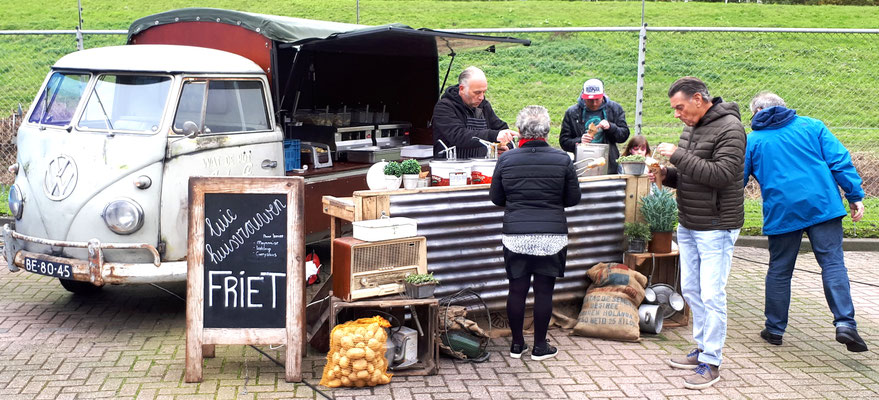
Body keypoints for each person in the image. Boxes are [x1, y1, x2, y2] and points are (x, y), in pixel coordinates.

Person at [744, 91, 868, 353]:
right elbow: (839, 161)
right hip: (823, 206)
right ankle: (845, 323)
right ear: (785, 107)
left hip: (782, 211)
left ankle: (775, 330)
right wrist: (854, 195)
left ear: (757, 112)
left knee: (779, 270)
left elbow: (737, 180)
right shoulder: (813, 126)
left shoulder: (752, 141)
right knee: (832, 264)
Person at [651, 77, 745, 390]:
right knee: (691, 289)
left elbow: (722, 175)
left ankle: (712, 362)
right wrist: (667, 174)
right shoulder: (691, 127)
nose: (677, 114)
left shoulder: (731, 128)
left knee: (712, 294)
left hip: (717, 225)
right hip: (689, 221)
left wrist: (677, 155)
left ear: (697, 99)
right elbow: (693, 175)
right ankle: (702, 349)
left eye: (680, 107)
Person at [489, 105, 581, 361]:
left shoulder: (506, 159)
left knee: (516, 290)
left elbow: (496, 198)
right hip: (552, 236)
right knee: (544, 292)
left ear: (519, 132)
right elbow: (573, 198)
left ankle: (517, 344)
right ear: (548, 132)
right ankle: (540, 346)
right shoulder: (562, 159)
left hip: (516, 235)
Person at [432, 66, 518, 159]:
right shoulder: (444, 107)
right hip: (451, 167)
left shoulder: (484, 105)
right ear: (462, 89)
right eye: (477, 93)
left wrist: (505, 147)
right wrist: (493, 136)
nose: (481, 97)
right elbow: (459, 136)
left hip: (480, 168)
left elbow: (502, 129)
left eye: (484, 92)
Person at [559, 78, 630, 174]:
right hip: (582, 164)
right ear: (583, 96)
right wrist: (579, 141)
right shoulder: (572, 112)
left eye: (597, 99)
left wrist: (611, 127)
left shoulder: (615, 109)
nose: (594, 103)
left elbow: (624, 136)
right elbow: (564, 141)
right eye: (590, 100)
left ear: (603, 95)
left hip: (609, 164)